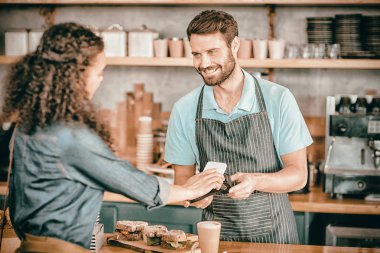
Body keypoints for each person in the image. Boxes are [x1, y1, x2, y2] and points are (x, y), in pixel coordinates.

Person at [1, 22, 224, 253]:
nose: (100, 79)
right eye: (99, 72)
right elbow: (129, 181)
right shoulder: (69, 136)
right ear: (75, 75)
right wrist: (188, 190)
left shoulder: (30, 123)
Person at [165, 10, 313, 244]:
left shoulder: (278, 98)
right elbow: (182, 180)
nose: (204, 63)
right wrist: (193, 195)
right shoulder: (185, 109)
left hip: (275, 236)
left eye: (212, 52)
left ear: (235, 46)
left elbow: (298, 175)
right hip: (216, 236)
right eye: (196, 54)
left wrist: (256, 182)